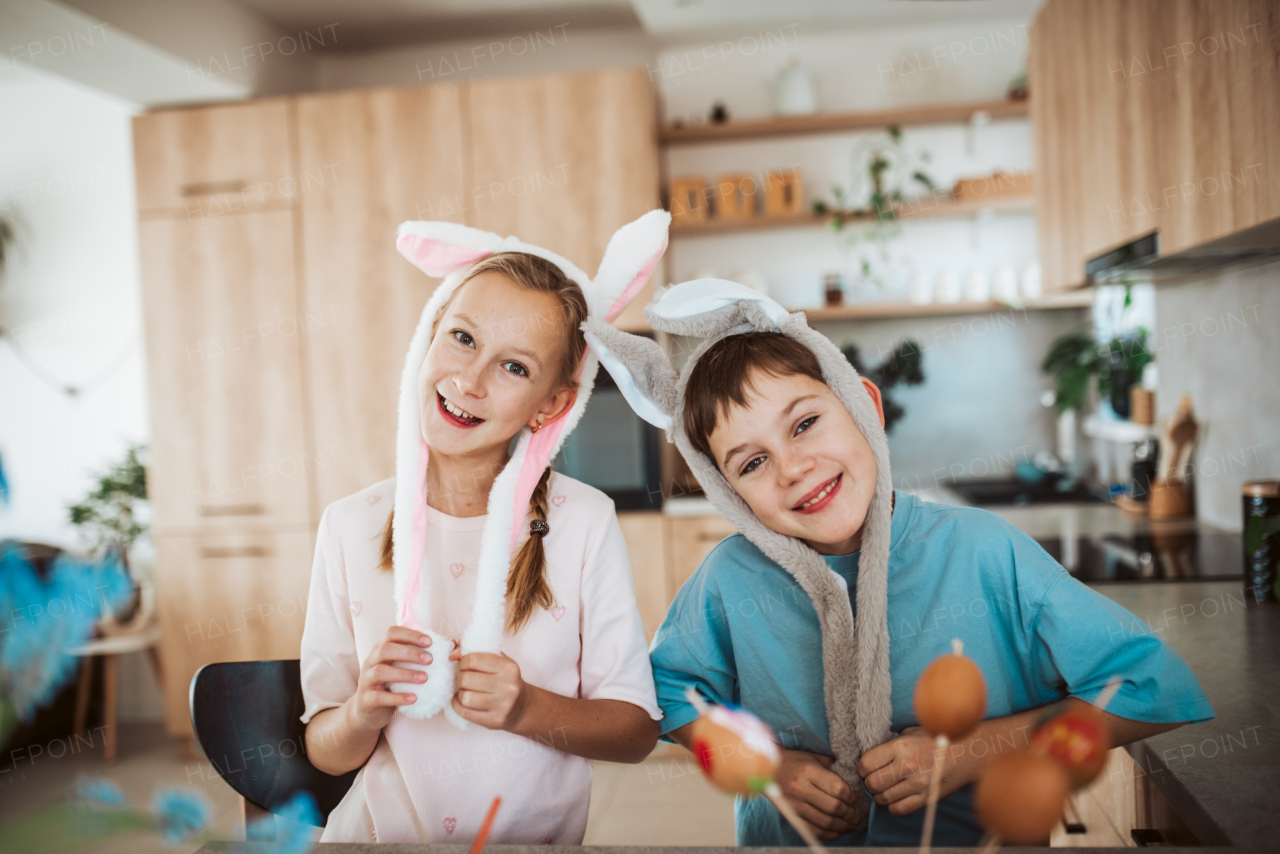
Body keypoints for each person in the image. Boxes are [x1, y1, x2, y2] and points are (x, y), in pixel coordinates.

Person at [584, 279, 1213, 846]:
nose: (793, 468)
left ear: (865, 408)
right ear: (726, 492)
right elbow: (665, 696)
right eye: (751, 463)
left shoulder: (984, 553)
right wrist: (767, 767)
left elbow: (1147, 688)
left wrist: (979, 749)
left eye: (804, 424)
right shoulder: (728, 581)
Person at [299, 213, 670, 844]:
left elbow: (635, 732)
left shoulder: (584, 522)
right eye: (463, 338)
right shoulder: (347, 526)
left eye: (515, 368)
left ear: (551, 404)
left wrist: (528, 709)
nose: (469, 381)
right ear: (430, 335)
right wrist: (363, 710)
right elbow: (325, 750)